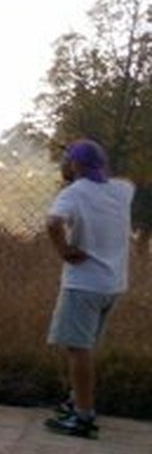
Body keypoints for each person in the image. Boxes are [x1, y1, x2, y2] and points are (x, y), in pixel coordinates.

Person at [43, 139, 134, 438]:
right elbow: (123, 181)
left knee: (78, 350)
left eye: (69, 160)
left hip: (83, 284)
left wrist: (65, 250)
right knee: (87, 346)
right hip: (113, 284)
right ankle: (75, 400)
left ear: (75, 165)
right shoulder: (122, 190)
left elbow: (53, 222)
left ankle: (83, 415)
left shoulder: (74, 194)